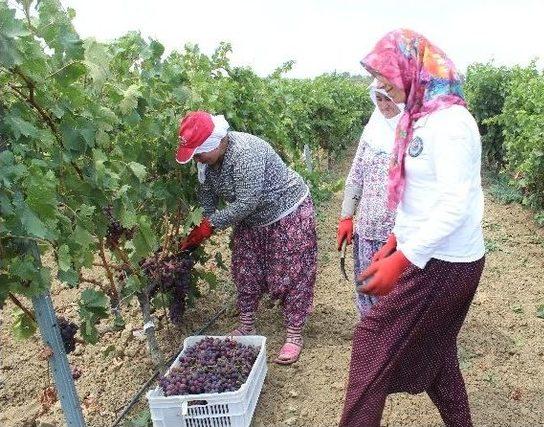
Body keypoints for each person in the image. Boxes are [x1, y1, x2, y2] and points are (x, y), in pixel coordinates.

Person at [339, 29, 486, 427]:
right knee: (437, 352)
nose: (382, 84)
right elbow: (417, 195)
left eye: (388, 75)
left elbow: (455, 204)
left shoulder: (451, 124)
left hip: (447, 261)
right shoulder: (419, 118)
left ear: (414, 70)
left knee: (372, 338)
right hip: (430, 254)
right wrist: (393, 240)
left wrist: (402, 258)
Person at [176, 111, 317, 365]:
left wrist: (211, 225)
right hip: (251, 218)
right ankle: (246, 325)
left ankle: (294, 333)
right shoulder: (205, 161)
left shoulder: (245, 153)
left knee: (292, 271)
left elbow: (246, 202)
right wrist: (205, 218)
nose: (197, 158)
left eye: (199, 153)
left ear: (217, 143)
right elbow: (206, 192)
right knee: (245, 269)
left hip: (285, 211)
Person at [337, 81, 402, 317]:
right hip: (367, 228)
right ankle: (371, 334)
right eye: (380, 99)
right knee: (368, 287)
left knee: (397, 291)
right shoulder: (371, 133)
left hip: (398, 232)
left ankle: (395, 341)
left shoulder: (411, 134)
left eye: (389, 98)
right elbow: (356, 176)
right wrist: (346, 216)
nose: (384, 105)